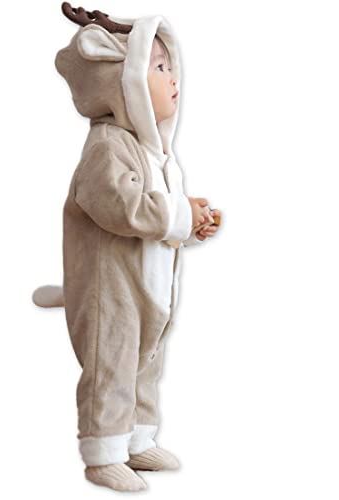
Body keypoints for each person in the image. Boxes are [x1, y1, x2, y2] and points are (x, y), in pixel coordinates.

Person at [32, 4, 220, 492]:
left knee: (145, 363)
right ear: (125, 82)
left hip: (146, 289)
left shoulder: (154, 152)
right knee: (111, 364)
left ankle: (137, 438)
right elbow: (120, 206)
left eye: (170, 66)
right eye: (157, 67)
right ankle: (104, 451)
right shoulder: (107, 146)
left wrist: (189, 218)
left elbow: (157, 211)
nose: (173, 77)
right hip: (111, 290)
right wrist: (177, 215)